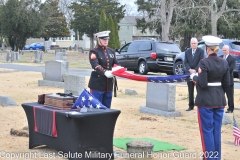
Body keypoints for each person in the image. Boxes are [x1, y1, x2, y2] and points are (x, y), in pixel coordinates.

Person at [190, 35, 230, 160]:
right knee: (216, 131)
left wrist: (194, 78)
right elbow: (226, 83)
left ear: (208, 48)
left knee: (207, 131)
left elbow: (203, 83)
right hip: (219, 101)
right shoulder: (224, 62)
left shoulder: (204, 62)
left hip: (206, 101)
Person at [88, 30, 119, 108]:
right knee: (96, 109)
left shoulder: (111, 51)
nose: (106, 41)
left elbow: (116, 64)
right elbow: (95, 65)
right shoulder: (94, 51)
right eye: (104, 39)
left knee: (107, 109)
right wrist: (105, 72)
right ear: (99, 40)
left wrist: (118, 70)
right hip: (97, 85)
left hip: (108, 85)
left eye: (107, 39)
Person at [184, 38, 204, 111]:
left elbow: (201, 61)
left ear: (197, 44)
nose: (193, 44)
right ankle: (191, 105)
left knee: (199, 90)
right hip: (189, 73)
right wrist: (189, 69)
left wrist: (195, 70)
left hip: (197, 74)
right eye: (192, 43)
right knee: (190, 90)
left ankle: (199, 105)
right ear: (190, 44)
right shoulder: (187, 52)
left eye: (195, 43)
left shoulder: (201, 51)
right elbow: (185, 62)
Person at [222, 45, 236, 113]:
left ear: (228, 50)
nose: (224, 51)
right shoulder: (220, 58)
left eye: (225, 50)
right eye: (223, 50)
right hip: (221, 81)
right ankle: (220, 107)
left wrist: (222, 71)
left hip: (229, 80)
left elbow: (231, 68)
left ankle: (231, 108)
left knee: (230, 96)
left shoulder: (232, 59)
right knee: (221, 95)